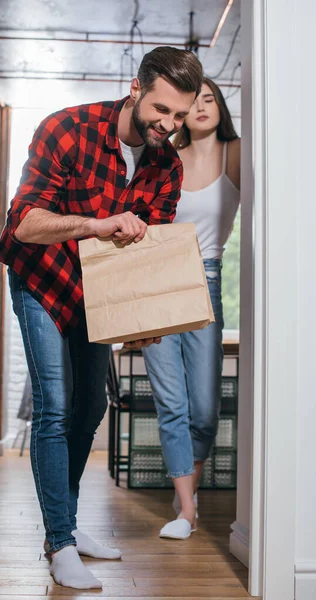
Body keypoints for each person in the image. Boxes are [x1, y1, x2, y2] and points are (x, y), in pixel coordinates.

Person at [0, 47, 203, 589]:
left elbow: (148, 254)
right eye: (161, 110)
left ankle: (68, 523)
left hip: (99, 293)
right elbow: (24, 224)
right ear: (136, 88)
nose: (169, 125)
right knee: (57, 406)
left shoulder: (167, 165)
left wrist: (150, 314)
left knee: (90, 408)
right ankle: (59, 543)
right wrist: (96, 224)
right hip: (42, 279)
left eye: (180, 116)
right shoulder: (67, 129)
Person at [142, 77, 240, 540]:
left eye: (210, 98)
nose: (201, 107)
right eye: (193, 101)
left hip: (208, 277)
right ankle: (185, 510)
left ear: (221, 107)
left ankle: (189, 488)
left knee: (203, 407)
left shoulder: (237, 154)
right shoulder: (164, 159)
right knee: (171, 402)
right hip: (159, 278)